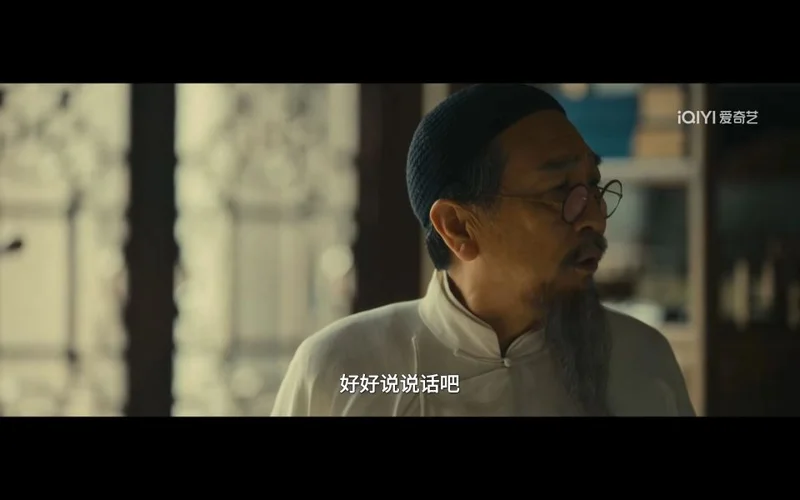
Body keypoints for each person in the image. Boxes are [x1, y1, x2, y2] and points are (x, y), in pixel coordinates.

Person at [272, 84, 695, 417]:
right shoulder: (344, 369)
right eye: (560, 191)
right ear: (458, 227)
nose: (595, 219)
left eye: (594, 186)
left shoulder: (643, 360)